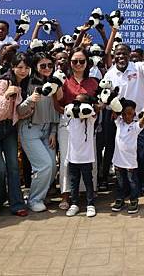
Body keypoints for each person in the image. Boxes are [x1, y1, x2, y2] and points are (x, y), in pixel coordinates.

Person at [102, 26, 144, 198]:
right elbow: (106, 97)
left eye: (124, 54)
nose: (121, 56)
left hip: (141, 119)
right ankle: (125, 189)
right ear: (114, 56)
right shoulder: (110, 74)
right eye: (118, 54)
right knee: (122, 156)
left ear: (129, 55)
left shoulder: (138, 67)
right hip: (120, 123)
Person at [0, 53, 30, 217]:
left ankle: (17, 204)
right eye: (19, 67)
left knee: (13, 167)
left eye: (26, 67)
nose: (23, 71)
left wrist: (28, 108)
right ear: (13, 67)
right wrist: (6, 95)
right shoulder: (4, 82)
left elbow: (16, 113)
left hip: (9, 129)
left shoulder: (23, 83)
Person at [17, 52, 60, 212]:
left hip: (48, 130)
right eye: (43, 65)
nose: (47, 68)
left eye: (50, 65)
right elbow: (19, 112)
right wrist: (30, 100)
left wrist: (53, 131)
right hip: (29, 129)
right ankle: (34, 199)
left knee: (52, 167)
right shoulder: (27, 84)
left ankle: (40, 194)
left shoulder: (54, 83)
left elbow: (55, 110)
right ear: (35, 67)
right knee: (44, 165)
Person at [57, 49, 99, 210]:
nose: (78, 64)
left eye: (82, 61)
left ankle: (88, 193)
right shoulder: (64, 81)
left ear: (87, 63)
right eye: (75, 61)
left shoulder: (93, 82)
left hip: (88, 124)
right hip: (68, 124)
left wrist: (91, 112)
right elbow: (58, 103)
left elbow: (98, 104)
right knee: (67, 160)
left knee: (89, 159)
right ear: (70, 63)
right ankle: (66, 194)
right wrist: (71, 113)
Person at [111, 99, 144, 214]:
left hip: (130, 162)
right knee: (120, 182)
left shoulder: (136, 126)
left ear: (134, 113)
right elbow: (114, 110)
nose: (127, 116)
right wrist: (116, 102)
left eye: (130, 113)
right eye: (124, 113)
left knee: (132, 182)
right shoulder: (119, 123)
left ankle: (134, 200)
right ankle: (120, 199)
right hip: (118, 160)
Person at [65, 94, 98, 218]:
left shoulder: (90, 118)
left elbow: (95, 110)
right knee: (74, 181)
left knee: (88, 181)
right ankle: (74, 204)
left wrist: (90, 105)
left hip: (86, 158)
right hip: (73, 157)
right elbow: (62, 109)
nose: (76, 106)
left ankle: (90, 204)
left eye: (80, 103)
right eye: (75, 103)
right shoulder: (70, 117)